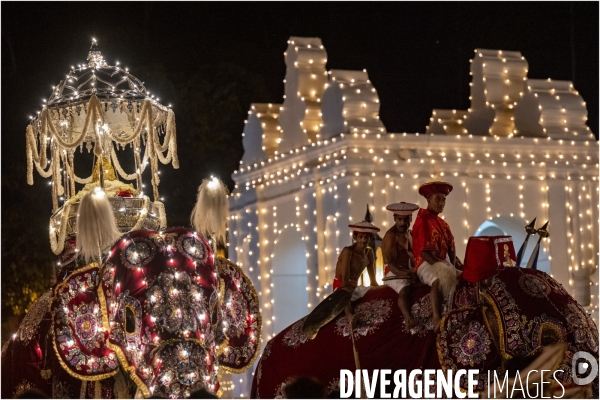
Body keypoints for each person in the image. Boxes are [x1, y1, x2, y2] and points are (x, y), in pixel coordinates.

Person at [302, 221, 380, 339]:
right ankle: (350, 317)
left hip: (356, 286)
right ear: (355, 237)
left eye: (366, 237)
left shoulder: (369, 253)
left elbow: (373, 280)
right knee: (346, 293)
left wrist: (377, 290)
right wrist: (356, 288)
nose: (363, 240)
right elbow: (344, 281)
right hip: (342, 286)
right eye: (360, 237)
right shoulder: (348, 251)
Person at [412, 181, 462, 333]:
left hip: (442, 262)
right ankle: (436, 318)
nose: (441, 203)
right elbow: (424, 253)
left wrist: (451, 267)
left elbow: (452, 250)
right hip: (425, 263)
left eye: (443, 200)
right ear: (428, 200)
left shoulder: (443, 224)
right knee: (438, 281)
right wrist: (443, 268)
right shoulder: (423, 221)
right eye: (437, 199)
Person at [382, 202, 420, 329]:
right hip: (393, 272)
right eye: (399, 219)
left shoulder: (410, 234)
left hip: (409, 270)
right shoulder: (390, 236)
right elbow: (390, 263)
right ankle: (408, 319)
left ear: (410, 219)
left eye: (405, 220)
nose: (402, 223)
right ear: (394, 218)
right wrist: (405, 275)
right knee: (404, 289)